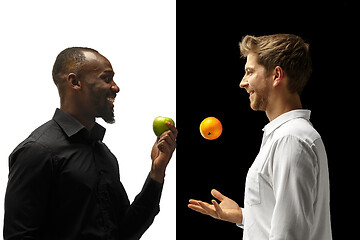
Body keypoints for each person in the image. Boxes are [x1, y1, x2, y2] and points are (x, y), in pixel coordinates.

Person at [4, 47, 177, 240]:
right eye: (106, 78)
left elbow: (125, 232)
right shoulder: (36, 151)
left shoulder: (103, 154)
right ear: (75, 82)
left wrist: (157, 172)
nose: (116, 87)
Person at [188, 34, 332, 239]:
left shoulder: (290, 139)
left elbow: (290, 234)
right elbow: (289, 219)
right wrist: (244, 216)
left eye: (249, 72)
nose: (242, 83)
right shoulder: (289, 135)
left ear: (276, 75)